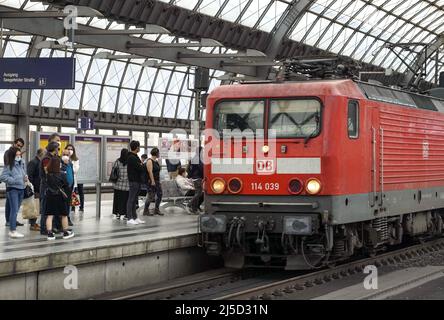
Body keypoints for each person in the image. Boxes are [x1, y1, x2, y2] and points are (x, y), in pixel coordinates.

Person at [45, 157, 74, 241]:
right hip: (60, 197)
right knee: (64, 215)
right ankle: (65, 232)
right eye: (60, 163)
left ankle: (50, 234)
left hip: (50, 196)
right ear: (58, 165)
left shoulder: (48, 174)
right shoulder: (62, 174)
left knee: (50, 215)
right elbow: (66, 185)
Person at [0, 147, 27, 238]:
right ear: (13, 155)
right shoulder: (9, 165)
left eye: (20, 155)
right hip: (13, 190)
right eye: (17, 155)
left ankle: (13, 229)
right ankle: (12, 230)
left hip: (21, 189)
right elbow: (3, 177)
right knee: (14, 210)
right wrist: (13, 180)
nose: (19, 156)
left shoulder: (21, 164)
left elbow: (22, 175)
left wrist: (25, 178)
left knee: (16, 210)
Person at [39, 140, 61, 235]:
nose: (58, 150)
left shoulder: (52, 157)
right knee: (45, 208)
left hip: (52, 186)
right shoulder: (47, 159)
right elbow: (47, 172)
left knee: (51, 208)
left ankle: (51, 227)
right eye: (58, 148)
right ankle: (44, 228)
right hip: (47, 186)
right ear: (55, 149)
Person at [3, 138, 25, 228]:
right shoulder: (8, 152)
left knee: (14, 205)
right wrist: (13, 179)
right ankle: (9, 220)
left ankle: (12, 220)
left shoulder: (19, 154)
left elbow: (21, 168)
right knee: (10, 202)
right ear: (14, 143)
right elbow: (7, 167)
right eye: (18, 145)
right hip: (12, 183)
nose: (19, 147)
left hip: (19, 184)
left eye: (20, 146)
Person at [126, 140, 146, 225]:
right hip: (133, 181)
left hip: (137, 181)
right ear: (137, 147)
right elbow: (140, 168)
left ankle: (135, 217)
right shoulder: (131, 157)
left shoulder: (135, 156)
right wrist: (141, 165)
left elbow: (141, 166)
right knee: (131, 200)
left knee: (135, 200)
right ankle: (129, 218)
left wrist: (141, 165)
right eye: (139, 146)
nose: (139, 148)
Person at [26, 148, 46, 231]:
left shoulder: (39, 162)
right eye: (45, 153)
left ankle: (34, 223)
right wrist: (32, 187)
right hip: (35, 188)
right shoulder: (33, 162)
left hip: (39, 188)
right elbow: (30, 176)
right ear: (41, 154)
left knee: (36, 207)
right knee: (34, 207)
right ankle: (32, 224)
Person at [144, 147, 164, 216]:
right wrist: (152, 181)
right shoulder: (149, 161)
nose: (159, 154)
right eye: (158, 153)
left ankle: (156, 209)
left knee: (160, 194)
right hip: (151, 181)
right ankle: (145, 210)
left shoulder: (156, 161)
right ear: (156, 153)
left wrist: (159, 181)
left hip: (157, 181)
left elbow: (157, 172)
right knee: (151, 196)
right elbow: (150, 172)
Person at [112, 148, 129, 220]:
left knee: (118, 200)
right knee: (125, 201)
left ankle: (118, 214)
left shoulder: (117, 161)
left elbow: (114, 171)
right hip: (127, 186)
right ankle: (125, 215)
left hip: (118, 185)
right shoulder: (129, 162)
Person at [187, 146, 204, 214]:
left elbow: (189, 168)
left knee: (199, 193)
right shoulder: (197, 158)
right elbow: (201, 168)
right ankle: (190, 205)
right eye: (202, 151)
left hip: (196, 177)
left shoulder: (195, 158)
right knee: (198, 193)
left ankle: (195, 208)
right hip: (197, 178)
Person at [61, 149, 74, 227]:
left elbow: (71, 173)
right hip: (63, 188)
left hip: (70, 187)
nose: (66, 156)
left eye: (67, 155)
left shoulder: (70, 163)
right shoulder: (61, 163)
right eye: (64, 155)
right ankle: (62, 220)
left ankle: (68, 218)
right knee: (63, 204)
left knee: (68, 204)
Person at [66, 144, 80, 215]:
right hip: (64, 182)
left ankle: (68, 216)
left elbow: (75, 170)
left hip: (72, 183)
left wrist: (70, 162)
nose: (69, 151)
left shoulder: (75, 160)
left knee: (69, 200)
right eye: (68, 149)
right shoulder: (63, 158)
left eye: (71, 149)